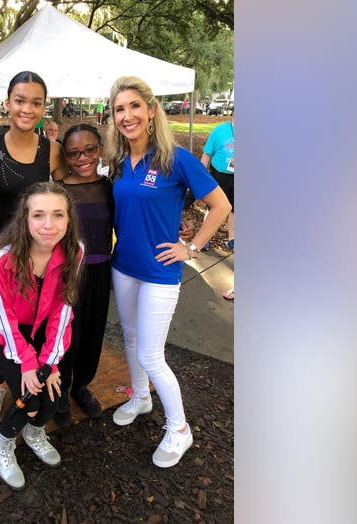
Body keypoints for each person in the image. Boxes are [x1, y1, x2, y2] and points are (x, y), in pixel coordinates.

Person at [105, 76, 231, 468]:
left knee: (150, 353)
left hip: (160, 272)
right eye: (119, 109)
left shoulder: (175, 158)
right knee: (130, 338)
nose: (127, 116)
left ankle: (179, 429)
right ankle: (141, 397)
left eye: (134, 106)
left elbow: (221, 206)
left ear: (151, 110)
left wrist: (191, 247)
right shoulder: (118, 160)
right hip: (124, 267)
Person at [0, 182, 84, 489]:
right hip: (5, 330)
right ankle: (2, 444)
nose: (49, 225)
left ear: (69, 219)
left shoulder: (75, 251)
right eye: (38, 215)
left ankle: (34, 434)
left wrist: (50, 361)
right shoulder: (2, 259)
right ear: (25, 218)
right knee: (30, 400)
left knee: (53, 396)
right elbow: (2, 317)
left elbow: (63, 309)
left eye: (58, 215)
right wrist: (29, 363)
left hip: (42, 328)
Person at [0, 71, 68, 422]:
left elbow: (71, 195)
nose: (27, 109)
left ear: (44, 107)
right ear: (7, 102)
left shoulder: (52, 151)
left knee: (32, 317)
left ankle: (29, 376)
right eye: (20, 100)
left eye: (36, 103)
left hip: (38, 250)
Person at [53, 124, 114, 427]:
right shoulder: (58, 190)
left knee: (93, 331)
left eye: (89, 150)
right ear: (65, 156)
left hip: (101, 271)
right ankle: (61, 391)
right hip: (67, 272)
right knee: (67, 335)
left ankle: (81, 386)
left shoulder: (109, 187)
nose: (82, 158)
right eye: (74, 153)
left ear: (100, 150)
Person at [199, 113, 235, 252]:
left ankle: (232, 240)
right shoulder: (219, 130)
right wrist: (201, 176)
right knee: (213, 206)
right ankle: (205, 239)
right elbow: (207, 154)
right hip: (219, 175)